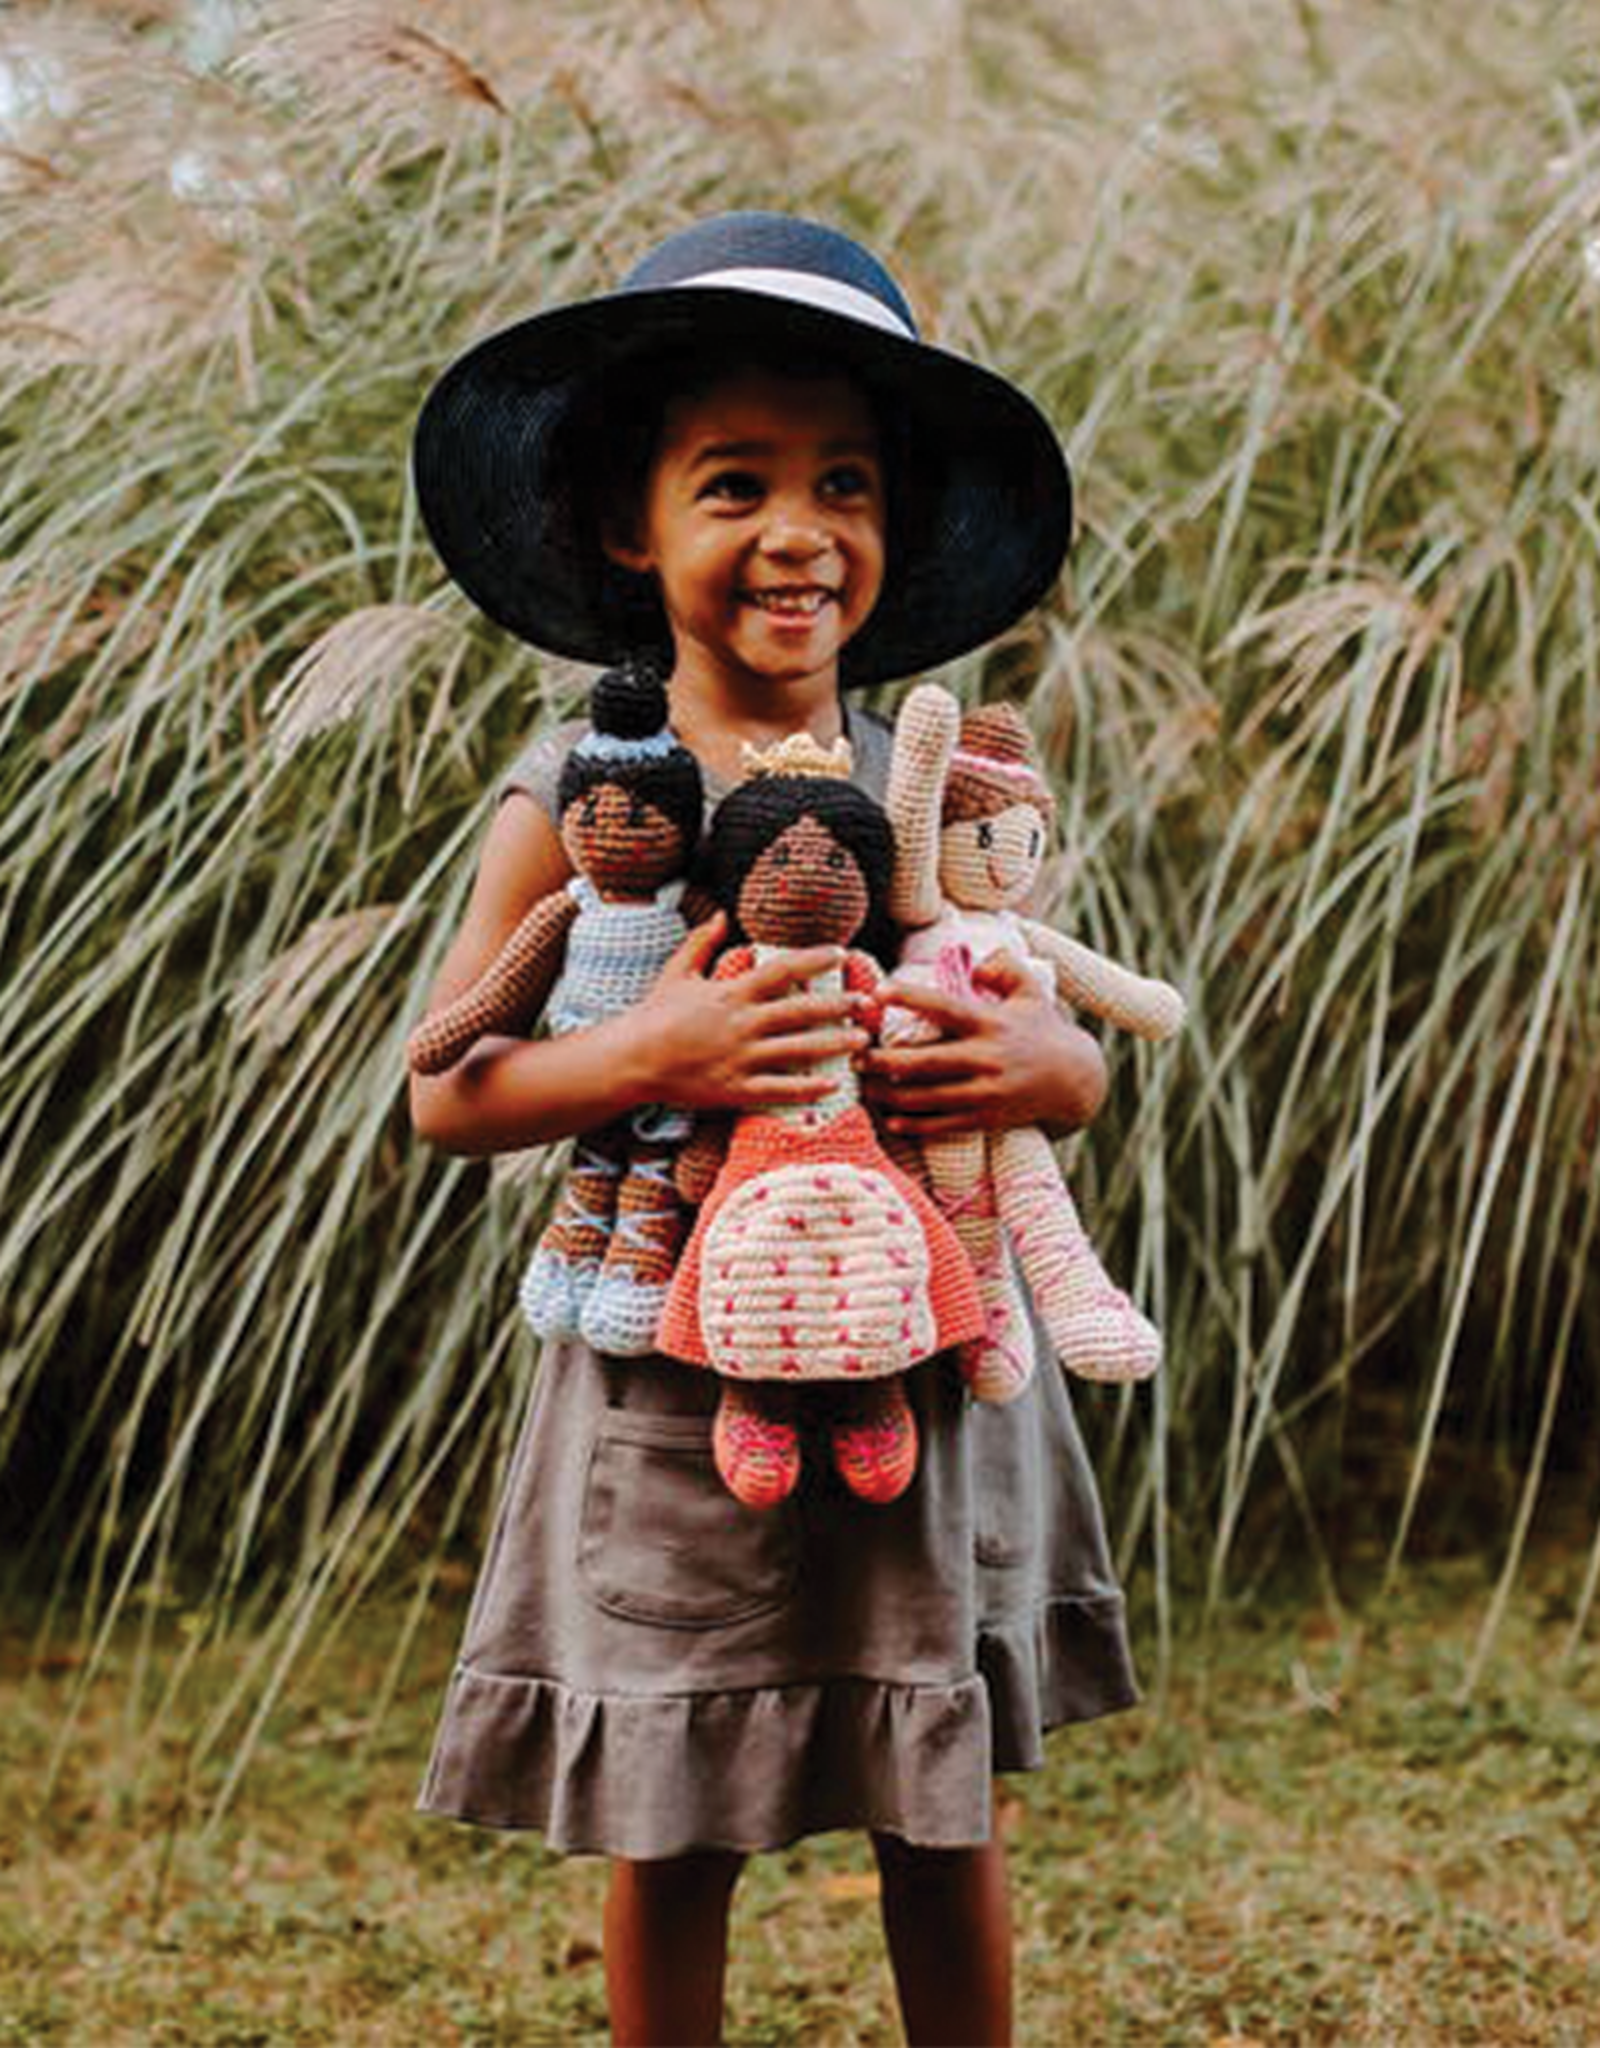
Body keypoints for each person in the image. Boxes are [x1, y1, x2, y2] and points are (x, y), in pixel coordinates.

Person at [407, 212, 1140, 2048]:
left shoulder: (927, 789)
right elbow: (448, 1089)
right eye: (734, 483)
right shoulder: (580, 802)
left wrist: (1059, 1077)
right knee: (677, 1815)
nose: (801, 531)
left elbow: (1043, 1017)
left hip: (927, 1353)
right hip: (675, 1371)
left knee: (934, 1791)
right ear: (623, 523)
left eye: (846, 484)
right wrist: (660, 1045)